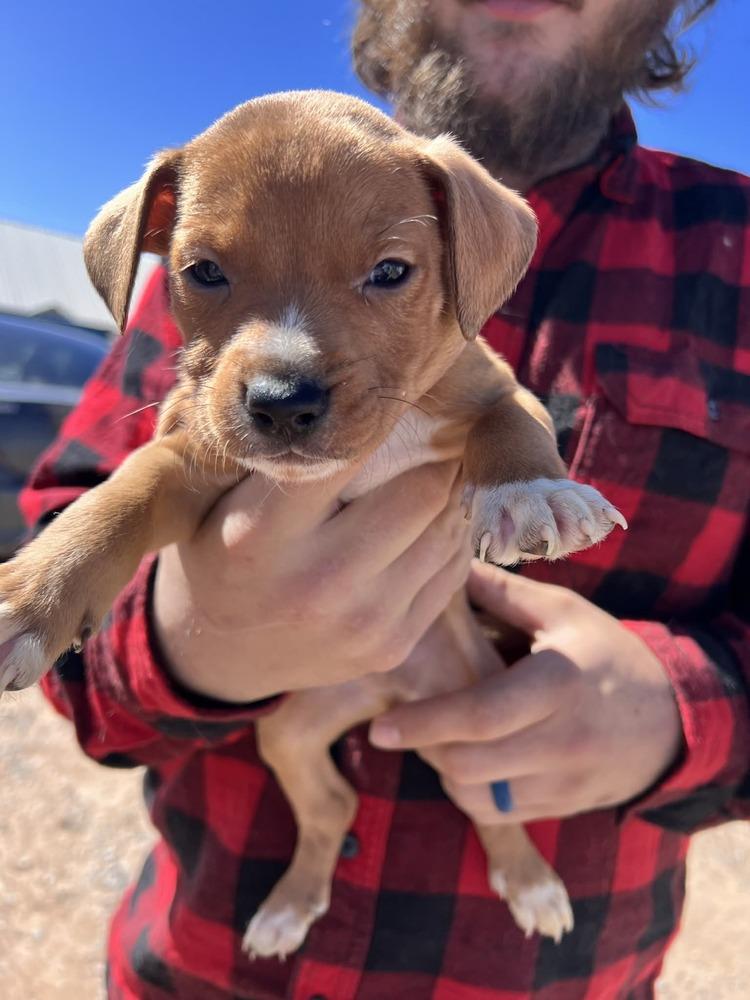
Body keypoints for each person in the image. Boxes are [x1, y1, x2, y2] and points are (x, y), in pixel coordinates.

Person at [20, 0, 749, 996]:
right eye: (208, 275)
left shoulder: (728, 255)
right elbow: (142, 495)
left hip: (550, 968)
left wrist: (680, 712)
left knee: (481, 782)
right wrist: (184, 636)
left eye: (389, 273)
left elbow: (498, 405)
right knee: (289, 732)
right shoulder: (231, 200)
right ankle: (311, 874)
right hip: (201, 962)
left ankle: (515, 860)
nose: (280, 363)